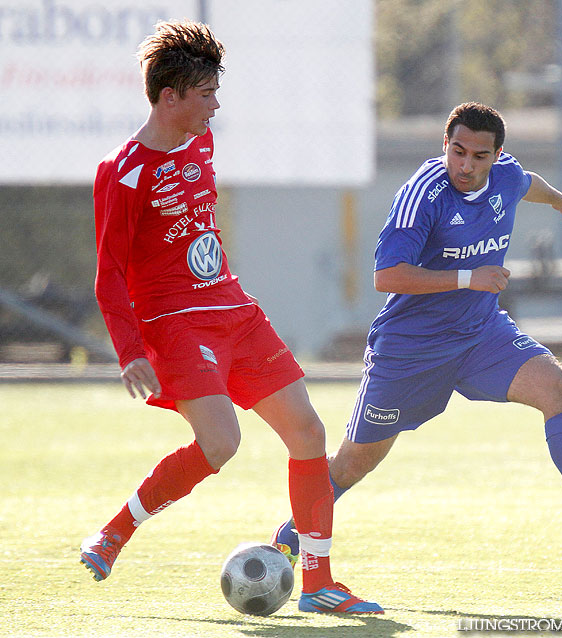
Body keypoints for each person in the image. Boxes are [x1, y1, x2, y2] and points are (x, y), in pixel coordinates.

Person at [80, 19, 382, 615]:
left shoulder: (201, 138)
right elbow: (109, 273)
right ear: (170, 97)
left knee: (309, 433)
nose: (216, 104)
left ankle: (318, 583)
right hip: (175, 323)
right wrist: (131, 348)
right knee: (220, 443)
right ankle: (115, 532)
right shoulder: (123, 172)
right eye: (206, 93)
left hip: (234, 309)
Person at [273, 101, 562, 568]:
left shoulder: (506, 176)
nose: (466, 165)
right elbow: (386, 275)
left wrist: (560, 201)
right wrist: (469, 277)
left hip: (479, 335)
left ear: (497, 155)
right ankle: (288, 540)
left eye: (479, 156)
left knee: (558, 388)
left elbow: (529, 184)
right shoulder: (423, 195)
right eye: (458, 151)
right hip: (411, 349)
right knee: (353, 464)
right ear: (445, 146)